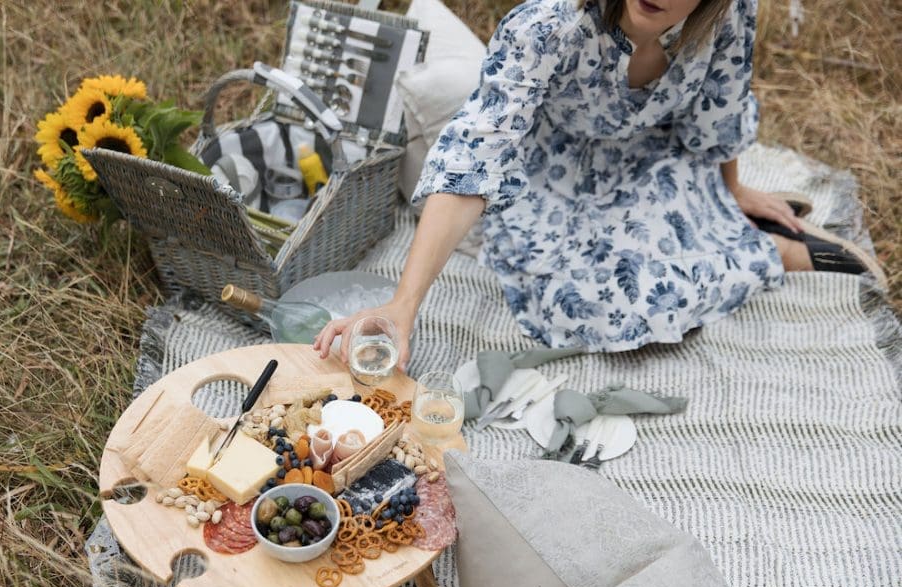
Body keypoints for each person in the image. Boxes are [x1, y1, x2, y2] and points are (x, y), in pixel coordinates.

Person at [314, 0, 884, 370]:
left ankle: (747, 229)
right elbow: (475, 156)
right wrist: (403, 303)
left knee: (664, 252)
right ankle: (770, 248)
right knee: (595, 303)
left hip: (652, 156)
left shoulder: (729, 15)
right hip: (554, 177)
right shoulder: (550, 27)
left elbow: (720, 106)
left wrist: (732, 189)